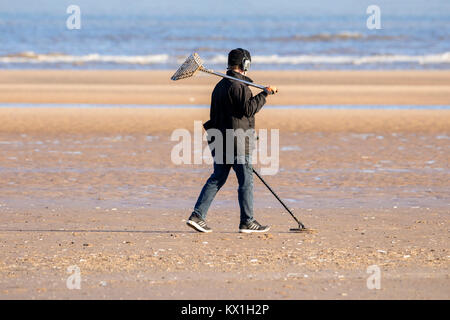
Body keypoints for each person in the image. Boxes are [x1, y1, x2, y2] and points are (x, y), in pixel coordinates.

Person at [186, 48, 278, 233]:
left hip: (219, 139)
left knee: (218, 177)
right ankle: (247, 221)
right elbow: (249, 109)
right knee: (246, 180)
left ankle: (197, 216)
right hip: (236, 141)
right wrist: (265, 94)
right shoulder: (237, 86)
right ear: (245, 64)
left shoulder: (221, 86)